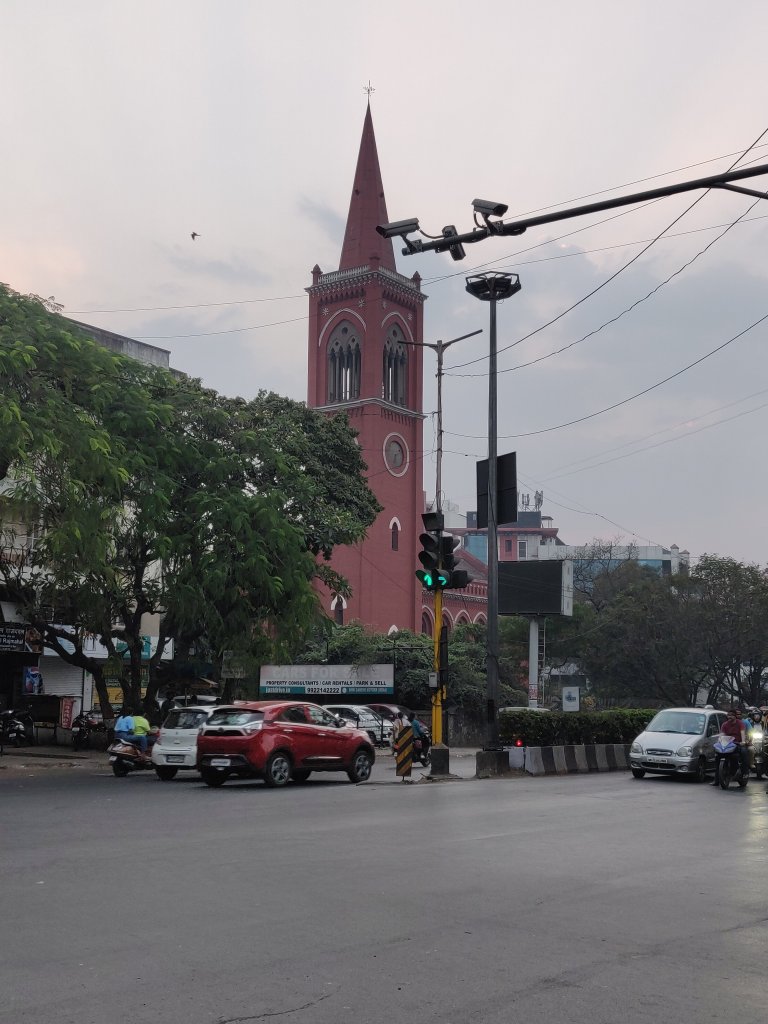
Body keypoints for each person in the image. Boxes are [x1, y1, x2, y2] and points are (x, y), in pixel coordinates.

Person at [712, 707, 749, 784]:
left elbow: (742, 732)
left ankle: (745, 773)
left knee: (744, 752)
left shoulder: (740, 723)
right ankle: (716, 779)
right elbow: (722, 735)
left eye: (732, 715)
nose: (730, 717)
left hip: (737, 744)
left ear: (735, 716)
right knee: (717, 756)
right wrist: (720, 740)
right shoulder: (724, 724)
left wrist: (743, 741)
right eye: (728, 715)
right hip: (727, 744)